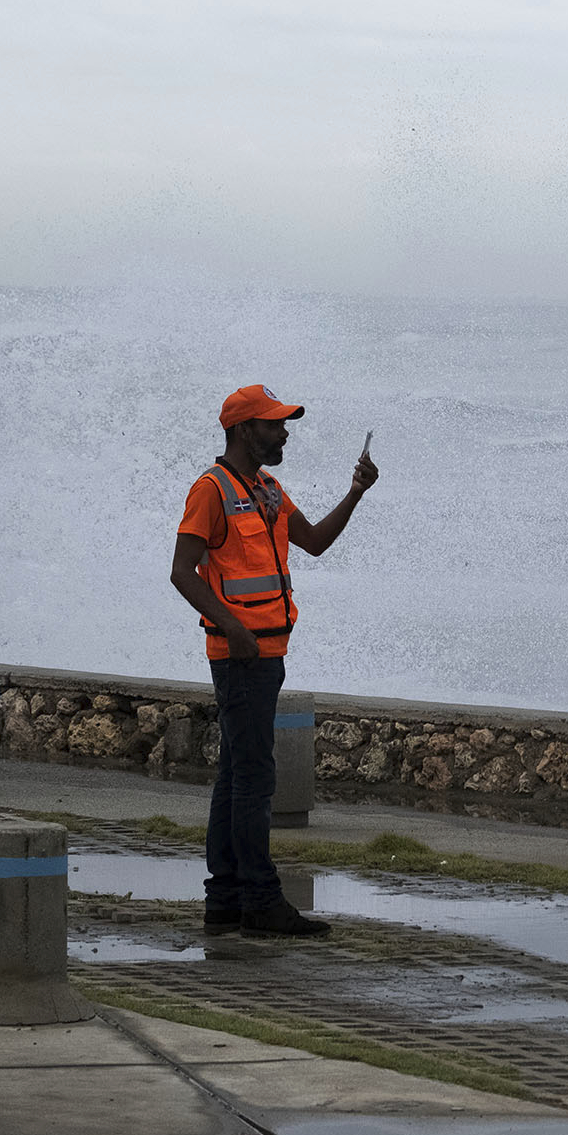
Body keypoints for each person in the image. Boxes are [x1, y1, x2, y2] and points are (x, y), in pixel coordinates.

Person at [169, 384, 377, 937]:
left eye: (284, 424)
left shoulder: (265, 489)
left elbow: (313, 542)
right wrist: (233, 626)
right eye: (274, 424)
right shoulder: (211, 490)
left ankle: (227, 901)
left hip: (266, 652)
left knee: (236, 774)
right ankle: (259, 900)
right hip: (240, 655)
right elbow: (181, 571)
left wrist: (355, 493)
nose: (284, 432)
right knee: (254, 776)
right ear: (243, 430)